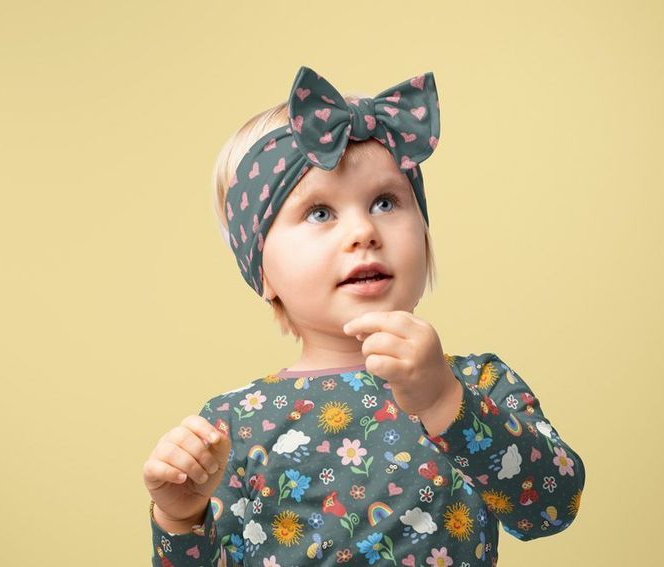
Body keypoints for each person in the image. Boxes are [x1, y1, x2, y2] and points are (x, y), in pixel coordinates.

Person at [142, 66, 586, 567]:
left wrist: (444, 400)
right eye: (319, 213)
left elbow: (551, 507)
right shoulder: (232, 425)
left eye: (385, 201)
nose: (363, 230)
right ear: (261, 270)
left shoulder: (477, 384)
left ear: (424, 238)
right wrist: (180, 520)